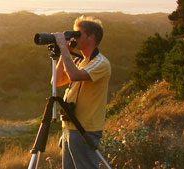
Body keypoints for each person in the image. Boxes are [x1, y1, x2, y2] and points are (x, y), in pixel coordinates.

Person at [53, 15, 111, 169]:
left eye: (78, 34)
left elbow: (74, 75)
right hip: (70, 126)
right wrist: (65, 52)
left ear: (91, 37)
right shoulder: (81, 61)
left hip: (85, 128)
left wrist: (64, 49)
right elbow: (56, 82)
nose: (74, 37)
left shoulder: (101, 63)